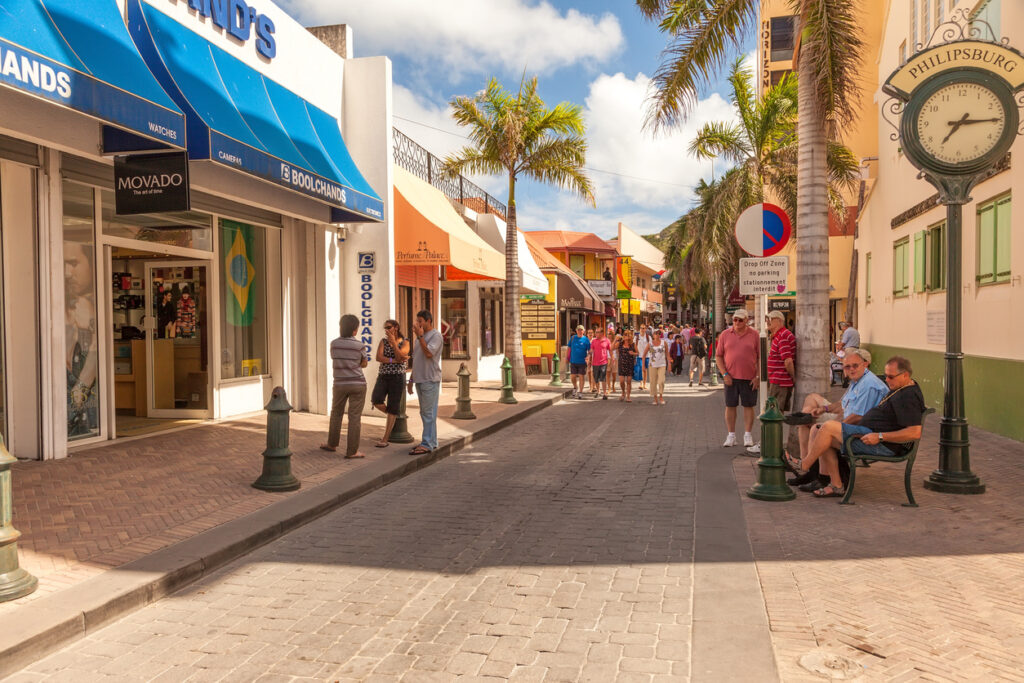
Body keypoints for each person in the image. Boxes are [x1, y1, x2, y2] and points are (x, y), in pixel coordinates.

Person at [786, 356, 925, 498]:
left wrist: (879, 436)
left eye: (890, 377)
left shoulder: (908, 397)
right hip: (866, 433)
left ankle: (805, 465)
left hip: (882, 443)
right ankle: (835, 484)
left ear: (906, 375)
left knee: (827, 428)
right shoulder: (900, 387)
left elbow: (914, 432)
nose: (887, 380)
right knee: (819, 431)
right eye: (886, 376)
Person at [786, 347, 888, 492]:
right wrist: (824, 410)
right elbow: (844, 404)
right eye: (847, 366)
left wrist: (835, 427)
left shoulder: (869, 384)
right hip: (853, 423)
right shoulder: (858, 380)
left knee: (821, 429)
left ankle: (807, 467)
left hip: (866, 431)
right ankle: (824, 478)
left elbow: (858, 416)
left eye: (855, 365)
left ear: (864, 364)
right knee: (815, 425)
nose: (851, 369)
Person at [321, 315, 368, 458]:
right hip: (358, 383)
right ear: (355, 330)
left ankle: (332, 444)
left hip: (340, 383)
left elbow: (334, 358)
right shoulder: (359, 345)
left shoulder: (334, 344)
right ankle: (352, 451)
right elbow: (364, 363)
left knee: (336, 413)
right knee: (354, 417)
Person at [716, 309, 759, 447]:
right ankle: (731, 436)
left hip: (749, 377)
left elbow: (761, 357)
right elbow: (718, 356)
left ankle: (747, 435)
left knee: (748, 406)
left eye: (740, 320)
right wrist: (724, 374)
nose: (737, 322)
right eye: (735, 319)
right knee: (730, 406)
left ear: (747, 320)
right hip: (730, 378)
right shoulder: (725, 334)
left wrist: (758, 376)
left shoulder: (755, 334)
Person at [408, 310, 443, 455]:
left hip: (430, 379)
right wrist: (411, 379)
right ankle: (431, 441)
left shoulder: (436, 336)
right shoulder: (418, 339)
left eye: (420, 321)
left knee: (427, 413)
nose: (418, 324)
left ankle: (427, 443)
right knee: (428, 413)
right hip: (420, 379)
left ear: (429, 321)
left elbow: (429, 353)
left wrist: (421, 337)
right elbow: (417, 360)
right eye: (417, 321)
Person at [371, 319, 410, 448]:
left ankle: (385, 439)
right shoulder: (383, 341)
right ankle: (393, 415)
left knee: (393, 406)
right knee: (376, 400)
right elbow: (379, 357)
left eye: (389, 327)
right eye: (385, 328)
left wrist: (394, 343)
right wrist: (395, 360)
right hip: (383, 375)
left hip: (398, 377)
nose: (386, 330)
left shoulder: (405, 342)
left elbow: (401, 357)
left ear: (396, 327)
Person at [766, 310, 797, 412]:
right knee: (776, 413)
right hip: (778, 381)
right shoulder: (778, 336)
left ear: (779, 321)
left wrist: (793, 377)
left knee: (774, 413)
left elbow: (788, 361)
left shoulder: (783, 336)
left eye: (771, 319)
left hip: (780, 381)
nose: (768, 322)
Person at [644, 329, 668, 405]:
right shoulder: (650, 344)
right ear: (653, 335)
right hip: (652, 365)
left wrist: (669, 364)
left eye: (658, 333)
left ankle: (661, 396)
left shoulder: (664, 343)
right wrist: (643, 366)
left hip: (662, 364)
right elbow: (644, 355)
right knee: (653, 382)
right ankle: (655, 398)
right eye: (655, 333)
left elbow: (667, 354)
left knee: (661, 381)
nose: (657, 335)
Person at [613, 329, 638, 402]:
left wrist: (633, 353)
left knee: (629, 381)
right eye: (625, 335)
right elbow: (612, 348)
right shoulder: (620, 343)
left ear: (630, 336)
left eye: (628, 335)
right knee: (621, 381)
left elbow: (638, 353)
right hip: (621, 364)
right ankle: (623, 392)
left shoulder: (633, 344)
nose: (626, 336)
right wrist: (615, 340)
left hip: (630, 364)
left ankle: (628, 396)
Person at [567, 325, 590, 399]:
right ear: (576, 331)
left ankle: (580, 392)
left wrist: (588, 357)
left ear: (584, 331)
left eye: (581, 330)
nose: (580, 331)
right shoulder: (573, 338)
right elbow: (569, 348)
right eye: (578, 330)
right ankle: (575, 387)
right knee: (573, 376)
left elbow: (589, 351)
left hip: (582, 362)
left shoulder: (586, 340)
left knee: (581, 376)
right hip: (573, 360)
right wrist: (567, 357)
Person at [590, 327, 612, 399]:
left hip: (603, 362)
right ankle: (598, 391)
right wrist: (588, 356)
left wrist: (612, 358)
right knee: (596, 378)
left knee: (603, 378)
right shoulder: (594, 341)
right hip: (595, 362)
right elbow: (591, 350)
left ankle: (605, 393)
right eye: (596, 332)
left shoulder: (607, 340)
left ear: (602, 333)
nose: (596, 334)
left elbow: (610, 350)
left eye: (597, 332)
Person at [636, 324, 650, 391]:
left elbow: (651, 346)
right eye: (641, 328)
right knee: (640, 369)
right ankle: (641, 383)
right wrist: (636, 352)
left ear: (645, 329)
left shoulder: (648, 337)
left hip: (646, 356)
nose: (642, 329)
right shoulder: (636, 337)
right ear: (639, 329)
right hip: (639, 356)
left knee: (644, 370)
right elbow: (634, 345)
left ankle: (644, 384)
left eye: (644, 328)